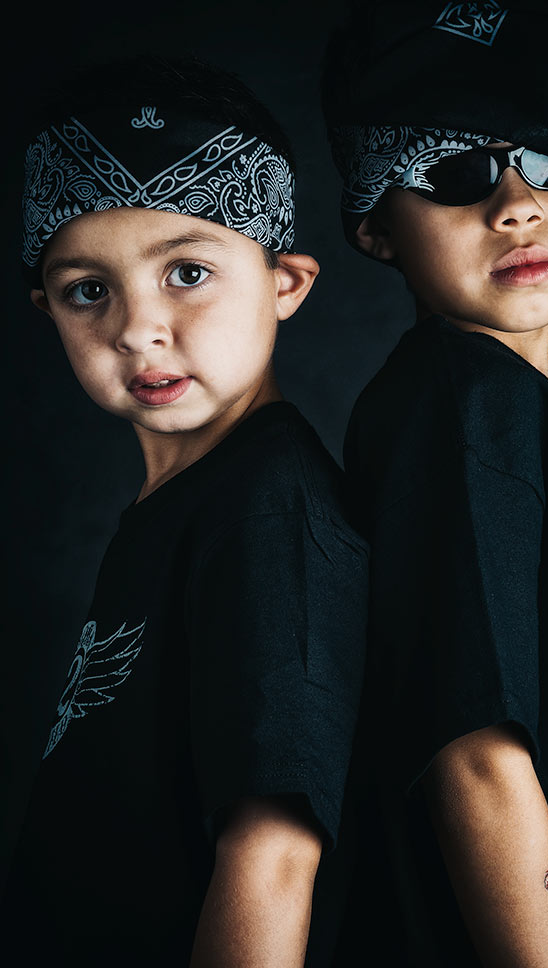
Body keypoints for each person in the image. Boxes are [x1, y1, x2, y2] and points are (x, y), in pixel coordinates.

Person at [320, 0, 548, 965]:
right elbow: (476, 755)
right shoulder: (463, 402)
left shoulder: (497, 405)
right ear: (376, 226)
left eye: (543, 157)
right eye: (456, 171)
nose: (515, 204)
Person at [1, 54, 368, 967]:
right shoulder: (188, 501)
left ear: (286, 282)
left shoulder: (269, 512)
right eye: (90, 290)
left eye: (187, 273)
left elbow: (272, 855)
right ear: (44, 307)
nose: (135, 327)